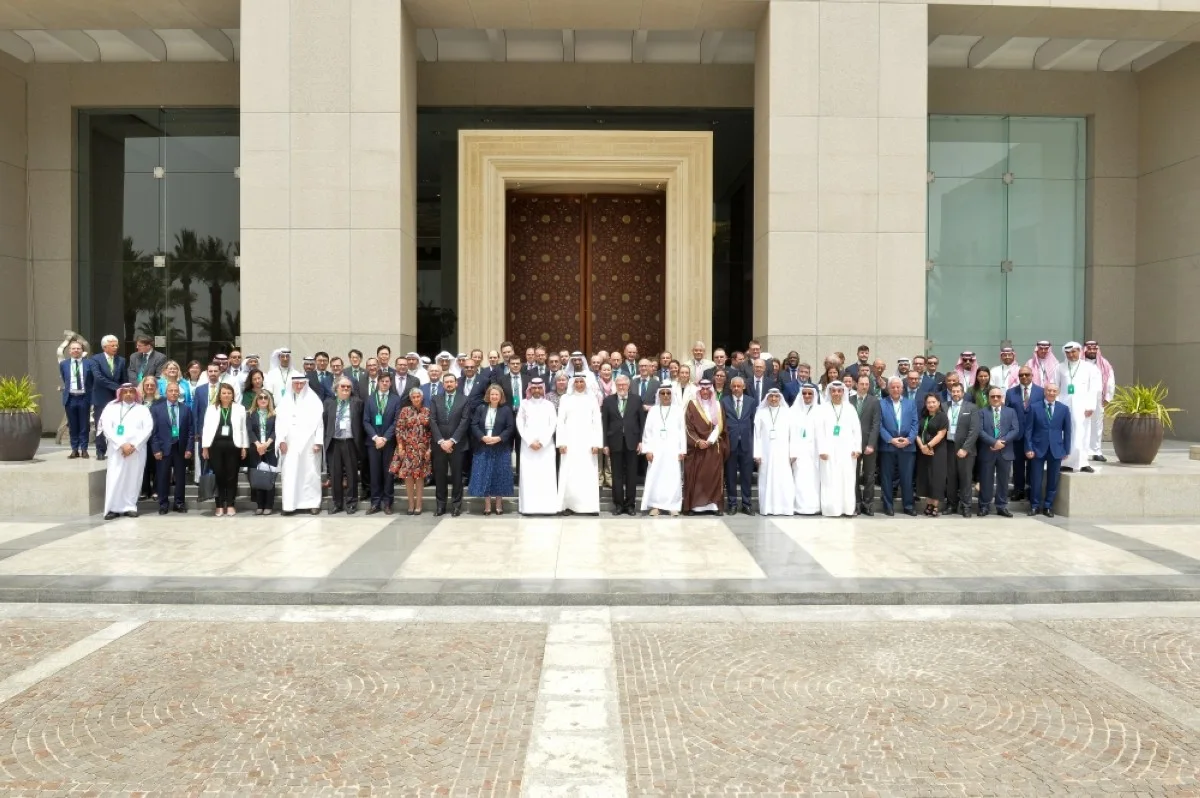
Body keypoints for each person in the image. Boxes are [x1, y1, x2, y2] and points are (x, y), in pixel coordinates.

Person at [100, 383, 153, 520]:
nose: (128, 394)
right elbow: (107, 428)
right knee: (115, 477)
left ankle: (130, 506)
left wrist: (133, 446)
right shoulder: (111, 408)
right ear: (120, 393)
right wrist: (121, 445)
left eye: (131, 391)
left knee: (133, 478)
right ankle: (112, 508)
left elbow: (148, 429)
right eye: (125, 392)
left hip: (136, 451)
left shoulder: (142, 409)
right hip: (117, 450)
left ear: (135, 393)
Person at [276, 373, 324, 516]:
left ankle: (313, 503)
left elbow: (319, 424)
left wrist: (318, 442)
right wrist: (281, 441)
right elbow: (279, 423)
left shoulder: (313, 400)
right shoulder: (284, 402)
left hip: (310, 445)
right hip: (290, 445)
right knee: (290, 474)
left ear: (305, 384)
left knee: (310, 473)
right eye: (296, 384)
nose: (298, 386)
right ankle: (290, 505)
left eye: (301, 383)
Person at [557, 374, 602, 515]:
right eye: (577, 381)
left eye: (582, 381)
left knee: (587, 473)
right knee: (570, 474)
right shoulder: (565, 398)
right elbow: (560, 422)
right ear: (572, 383)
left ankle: (589, 507)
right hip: (570, 442)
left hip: (588, 443)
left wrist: (597, 443)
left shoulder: (592, 398)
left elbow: (597, 422)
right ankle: (569, 506)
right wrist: (561, 442)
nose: (579, 384)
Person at [814, 381, 861, 517]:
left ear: (843, 392)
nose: (836, 393)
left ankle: (847, 509)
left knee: (847, 479)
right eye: (833, 391)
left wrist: (857, 448)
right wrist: (822, 449)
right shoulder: (823, 409)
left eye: (839, 391)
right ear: (829, 392)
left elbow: (856, 430)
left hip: (847, 451)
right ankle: (831, 509)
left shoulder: (850, 408)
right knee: (830, 479)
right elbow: (819, 431)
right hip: (828, 451)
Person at [1025, 382, 1071, 517]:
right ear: (1044, 392)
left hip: (1056, 449)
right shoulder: (1034, 407)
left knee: (1053, 479)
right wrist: (1028, 448)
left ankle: (1048, 506)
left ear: (1057, 393)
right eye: (1049, 390)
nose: (1051, 393)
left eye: (1054, 391)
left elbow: (1067, 431)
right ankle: (1034, 506)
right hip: (1037, 449)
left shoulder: (1064, 409)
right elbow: (1028, 430)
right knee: (1036, 479)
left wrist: (1066, 450)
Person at [601, 374, 645, 516]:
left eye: (624, 385)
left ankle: (630, 505)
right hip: (615, 442)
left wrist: (641, 441)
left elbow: (641, 422)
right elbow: (605, 424)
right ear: (616, 385)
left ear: (628, 386)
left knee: (631, 475)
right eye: (619, 384)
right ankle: (618, 505)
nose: (621, 387)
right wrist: (605, 444)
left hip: (632, 442)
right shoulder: (608, 401)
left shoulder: (636, 400)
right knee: (617, 475)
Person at [469, 384, 516, 515]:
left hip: (500, 446)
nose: (494, 396)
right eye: (492, 394)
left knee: (499, 475)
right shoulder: (481, 408)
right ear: (488, 396)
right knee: (485, 475)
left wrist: (499, 438)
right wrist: (482, 437)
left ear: (501, 396)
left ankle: (499, 504)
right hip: (483, 446)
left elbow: (510, 427)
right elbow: (474, 425)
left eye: (497, 394)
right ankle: (488, 505)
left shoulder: (506, 410)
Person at [640, 384, 686, 516]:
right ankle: (655, 505)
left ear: (672, 395)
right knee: (656, 476)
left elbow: (682, 431)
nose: (666, 396)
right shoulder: (653, 410)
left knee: (673, 477)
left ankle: (673, 505)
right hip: (656, 449)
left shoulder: (678, 410)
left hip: (673, 449)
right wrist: (647, 450)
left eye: (668, 393)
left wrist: (682, 450)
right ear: (659, 395)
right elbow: (647, 432)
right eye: (663, 393)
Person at [1055, 341, 1101, 474]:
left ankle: (1083, 462)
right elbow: (1055, 386)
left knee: (1082, 433)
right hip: (1064, 405)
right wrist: (1056, 405)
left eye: (1074, 352)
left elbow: (1094, 389)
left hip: (1083, 406)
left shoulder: (1089, 368)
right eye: (1068, 352)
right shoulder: (1060, 367)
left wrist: (1091, 405)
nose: (1071, 355)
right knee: (1065, 433)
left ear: (1079, 351)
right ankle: (1066, 462)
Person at [201, 383, 247, 517]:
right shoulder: (211, 409)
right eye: (224, 393)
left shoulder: (240, 408)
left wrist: (244, 446)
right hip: (215, 445)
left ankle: (231, 504)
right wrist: (205, 447)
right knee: (219, 475)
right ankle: (219, 504)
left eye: (229, 393)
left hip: (234, 445)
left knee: (232, 476)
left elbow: (243, 429)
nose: (226, 395)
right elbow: (206, 428)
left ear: (233, 395)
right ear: (219, 395)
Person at [683, 380, 728, 514]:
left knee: (713, 477)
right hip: (697, 448)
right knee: (697, 477)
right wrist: (698, 441)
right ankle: (695, 506)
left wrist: (710, 440)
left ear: (711, 391)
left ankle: (714, 506)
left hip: (713, 447)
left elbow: (720, 425)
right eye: (702, 389)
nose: (705, 392)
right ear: (699, 390)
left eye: (708, 389)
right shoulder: (692, 405)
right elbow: (688, 427)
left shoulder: (718, 405)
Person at [149, 380, 193, 515]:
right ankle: (163, 504)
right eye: (171, 391)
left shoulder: (185, 408)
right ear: (166, 393)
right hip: (163, 449)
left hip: (180, 448)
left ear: (179, 393)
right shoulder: (156, 409)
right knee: (162, 477)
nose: (174, 393)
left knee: (180, 478)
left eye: (176, 391)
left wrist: (189, 448)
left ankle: (179, 503)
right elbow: (153, 431)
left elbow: (191, 430)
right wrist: (156, 449)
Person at [976, 386, 1021, 517]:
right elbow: (979, 431)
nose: (995, 398)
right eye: (992, 396)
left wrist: (1002, 442)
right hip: (987, 450)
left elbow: (1015, 429)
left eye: (998, 396)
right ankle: (984, 505)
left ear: (1002, 398)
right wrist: (993, 442)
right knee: (986, 480)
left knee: (1003, 480)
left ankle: (1001, 506)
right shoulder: (982, 412)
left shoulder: (1011, 412)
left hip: (1005, 451)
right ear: (989, 399)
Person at [516, 378, 558, 515]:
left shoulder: (549, 405)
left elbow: (553, 424)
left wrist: (542, 442)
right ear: (530, 389)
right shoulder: (524, 404)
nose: (537, 390)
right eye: (534, 388)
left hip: (546, 447)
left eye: (539, 388)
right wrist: (529, 441)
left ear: (543, 389)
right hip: (528, 447)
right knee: (529, 477)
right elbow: (520, 425)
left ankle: (548, 508)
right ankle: (528, 508)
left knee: (546, 477)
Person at [430, 373, 470, 517]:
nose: (449, 384)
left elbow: (465, 421)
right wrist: (441, 441)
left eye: (451, 382)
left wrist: (452, 440)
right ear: (443, 384)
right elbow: (432, 420)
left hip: (457, 445)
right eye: (446, 382)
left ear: (456, 383)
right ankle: (440, 506)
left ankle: (456, 506)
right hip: (439, 445)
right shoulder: (435, 399)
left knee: (457, 477)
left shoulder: (464, 400)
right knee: (440, 476)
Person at [323, 377, 363, 514]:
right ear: (336, 388)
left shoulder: (357, 403)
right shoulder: (329, 404)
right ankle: (337, 503)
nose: (346, 389)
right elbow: (325, 422)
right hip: (334, 442)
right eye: (343, 387)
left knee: (351, 474)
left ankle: (351, 502)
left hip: (350, 442)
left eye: (348, 387)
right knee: (335, 474)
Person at [878, 377, 918, 517]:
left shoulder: (910, 403)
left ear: (902, 388)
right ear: (888, 389)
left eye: (898, 387)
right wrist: (890, 439)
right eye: (893, 387)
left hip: (907, 447)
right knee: (887, 478)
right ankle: (888, 506)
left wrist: (909, 439)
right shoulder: (881, 403)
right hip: (888, 447)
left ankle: (908, 506)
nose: (896, 389)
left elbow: (915, 423)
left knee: (907, 478)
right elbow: (879, 424)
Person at [753, 388, 795, 515]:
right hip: (766, 452)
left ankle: (784, 508)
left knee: (783, 479)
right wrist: (757, 453)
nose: (774, 399)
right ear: (767, 398)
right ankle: (767, 507)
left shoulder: (787, 413)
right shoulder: (761, 413)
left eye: (776, 397)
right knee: (766, 479)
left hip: (783, 452)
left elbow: (793, 434)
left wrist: (792, 452)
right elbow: (757, 435)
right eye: (771, 396)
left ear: (780, 398)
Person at [1005, 366, 1043, 503]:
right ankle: (1018, 489)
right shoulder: (1011, 393)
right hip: (1018, 435)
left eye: (1027, 374)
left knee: (1034, 465)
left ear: (1032, 375)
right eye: (1021, 375)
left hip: (1034, 436)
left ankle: (1031, 489)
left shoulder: (1041, 392)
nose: (1024, 377)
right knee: (1018, 465)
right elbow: (1007, 413)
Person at [391, 386, 431, 515]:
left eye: (418, 396)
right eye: (413, 397)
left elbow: (431, 432)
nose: (416, 399)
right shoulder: (405, 411)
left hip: (421, 449)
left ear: (422, 397)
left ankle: (419, 505)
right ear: (410, 398)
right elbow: (399, 429)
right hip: (407, 449)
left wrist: (429, 449)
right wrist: (401, 447)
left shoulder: (427, 411)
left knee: (419, 478)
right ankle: (410, 505)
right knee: (408, 477)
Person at [720, 376, 756, 515]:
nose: (736, 389)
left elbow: (754, 423)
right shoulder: (724, 402)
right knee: (730, 476)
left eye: (738, 386)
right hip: (731, 444)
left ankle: (747, 504)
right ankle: (732, 504)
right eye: (733, 386)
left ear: (743, 387)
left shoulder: (751, 402)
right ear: (730, 387)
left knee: (747, 476)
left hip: (746, 444)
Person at [943, 382, 980, 518]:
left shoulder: (971, 408)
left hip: (965, 449)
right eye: (953, 391)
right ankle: (951, 504)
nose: (956, 394)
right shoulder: (944, 406)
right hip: (948, 446)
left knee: (965, 478)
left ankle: (966, 506)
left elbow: (974, 430)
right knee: (951, 478)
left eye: (958, 391)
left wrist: (965, 448)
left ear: (963, 393)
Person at [850, 372, 881, 516]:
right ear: (856, 385)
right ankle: (856, 502)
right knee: (853, 475)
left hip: (868, 444)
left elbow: (876, 424)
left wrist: (871, 444)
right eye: (861, 384)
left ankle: (868, 504)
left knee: (869, 475)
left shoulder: (874, 401)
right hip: (852, 445)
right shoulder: (849, 400)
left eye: (866, 384)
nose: (864, 387)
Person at [91, 335, 125, 461]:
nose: (115, 347)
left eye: (116, 345)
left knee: (117, 424)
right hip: (101, 397)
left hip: (116, 398)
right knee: (100, 423)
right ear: (105, 346)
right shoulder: (95, 359)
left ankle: (115, 448)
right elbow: (98, 378)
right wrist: (117, 387)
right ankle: (100, 450)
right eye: (112, 345)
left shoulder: (121, 360)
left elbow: (123, 379)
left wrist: (122, 390)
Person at [788, 383, 821, 515]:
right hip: (799, 452)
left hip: (814, 452)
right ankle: (800, 506)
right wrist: (792, 452)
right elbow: (789, 434)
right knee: (800, 479)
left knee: (814, 480)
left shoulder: (820, 411)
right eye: (804, 393)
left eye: (810, 393)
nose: (807, 396)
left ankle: (814, 507)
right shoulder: (793, 411)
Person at [246, 390, 278, 515]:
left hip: (269, 449)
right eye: (260, 398)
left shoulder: (274, 414)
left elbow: (276, 431)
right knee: (257, 477)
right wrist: (258, 445)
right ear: (256, 400)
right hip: (256, 449)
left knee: (270, 478)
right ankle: (259, 505)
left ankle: (269, 505)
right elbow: (249, 431)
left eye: (266, 398)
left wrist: (267, 444)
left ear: (269, 400)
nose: (263, 400)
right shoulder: (250, 414)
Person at [916, 393, 949, 517]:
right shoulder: (923, 416)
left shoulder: (942, 417)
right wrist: (922, 447)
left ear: (939, 403)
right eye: (929, 402)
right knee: (926, 478)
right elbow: (917, 433)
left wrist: (928, 446)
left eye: (933, 402)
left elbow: (941, 435)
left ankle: (935, 505)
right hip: (923, 452)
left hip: (937, 451)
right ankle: (928, 504)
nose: (931, 404)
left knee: (936, 478)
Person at [60, 340, 93, 458]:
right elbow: (65, 379)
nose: (76, 350)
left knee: (84, 425)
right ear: (69, 351)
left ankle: (84, 449)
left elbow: (92, 381)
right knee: (72, 425)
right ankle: (74, 449)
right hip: (70, 398)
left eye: (78, 348)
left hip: (84, 398)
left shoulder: (89, 363)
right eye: (73, 348)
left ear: (82, 351)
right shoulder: (64, 364)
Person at [1084, 340, 1116, 463]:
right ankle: (1084, 451)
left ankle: (1096, 451)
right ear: (1085, 350)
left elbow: (1110, 380)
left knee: (1097, 425)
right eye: (1089, 349)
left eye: (1094, 349)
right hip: (1083, 398)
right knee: (1083, 424)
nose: (1092, 351)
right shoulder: (1080, 363)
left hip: (1098, 399)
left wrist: (1108, 397)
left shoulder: (1104, 364)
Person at [138, 375, 162, 500]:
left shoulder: (161, 401)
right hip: (142, 439)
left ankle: (156, 490)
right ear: (143, 386)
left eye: (152, 385)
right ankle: (144, 490)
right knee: (143, 464)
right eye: (147, 385)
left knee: (157, 465)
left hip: (157, 437)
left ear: (156, 387)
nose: (149, 387)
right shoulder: (137, 402)